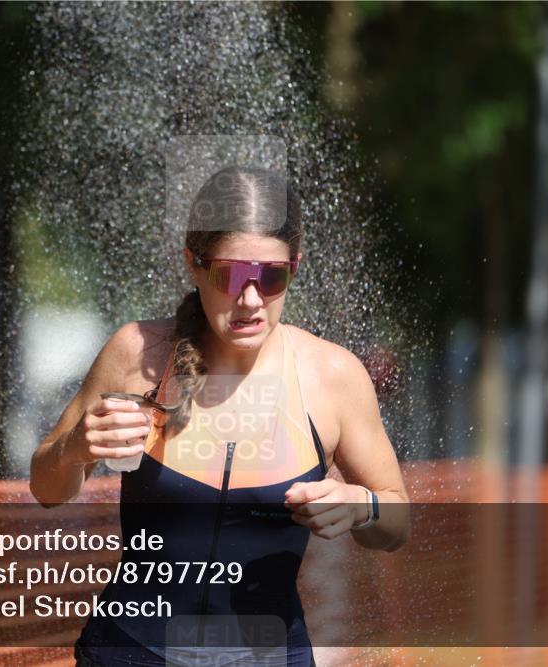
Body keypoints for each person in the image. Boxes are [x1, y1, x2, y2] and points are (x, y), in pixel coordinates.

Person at [30, 166, 410, 667]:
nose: (251, 300)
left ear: (295, 267)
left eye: (271, 278)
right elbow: (46, 488)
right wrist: (76, 447)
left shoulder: (333, 375)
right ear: (194, 264)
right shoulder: (137, 353)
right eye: (231, 275)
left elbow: (396, 520)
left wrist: (362, 506)